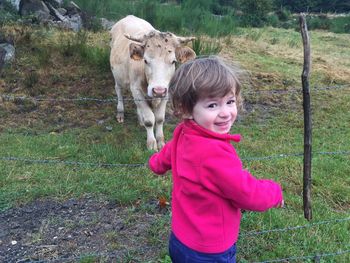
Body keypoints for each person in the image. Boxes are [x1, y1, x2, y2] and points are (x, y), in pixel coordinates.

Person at [148, 56, 284, 263]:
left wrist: (156, 163)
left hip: (180, 239)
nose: (226, 113)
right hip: (210, 251)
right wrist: (274, 192)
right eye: (212, 105)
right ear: (185, 109)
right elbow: (246, 193)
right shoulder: (215, 153)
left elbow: (167, 153)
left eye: (230, 102)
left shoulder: (184, 132)